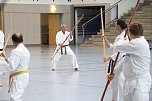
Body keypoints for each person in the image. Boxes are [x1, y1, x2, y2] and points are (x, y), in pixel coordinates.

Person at [108, 21, 151, 101]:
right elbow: (126, 59)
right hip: (129, 82)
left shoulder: (138, 43)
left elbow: (116, 47)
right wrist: (114, 72)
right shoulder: (132, 44)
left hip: (140, 83)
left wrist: (123, 39)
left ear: (129, 33)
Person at [103, 19, 128, 101]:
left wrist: (108, 58)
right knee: (115, 83)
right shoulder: (119, 36)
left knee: (118, 83)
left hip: (119, 62)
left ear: (118, 26)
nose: (114, 26)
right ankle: (114, 99)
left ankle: (117, 99)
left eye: (115, 24)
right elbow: (112, 47)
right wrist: (105, 39)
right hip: (115, 62)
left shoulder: (124, 38)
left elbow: (120, 53)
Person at [0, 33, 30, 101]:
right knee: (18, 97)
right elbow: (16, 63)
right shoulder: (25, 50)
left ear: (13, 41)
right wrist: (5, 58)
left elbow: (11, 67)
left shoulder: (16, 51)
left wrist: (1, 62)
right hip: (23, 76)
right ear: (22, 40)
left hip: (18, 78)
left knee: (14, 98)